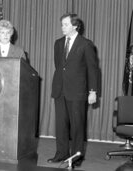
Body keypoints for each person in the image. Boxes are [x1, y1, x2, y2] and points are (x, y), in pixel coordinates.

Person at [48, 13, 98, 167]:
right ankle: (61, 153)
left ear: (75, 26)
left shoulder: (86, 44)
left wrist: (93, 91)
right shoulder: (58, 43)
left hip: (77, 91)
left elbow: (92, 69)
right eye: (62, 24)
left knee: (77, 125)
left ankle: (76, 157)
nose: (62, 27)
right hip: (60, 89)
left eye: (66, 24)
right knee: (61, 125)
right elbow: (60, 67)